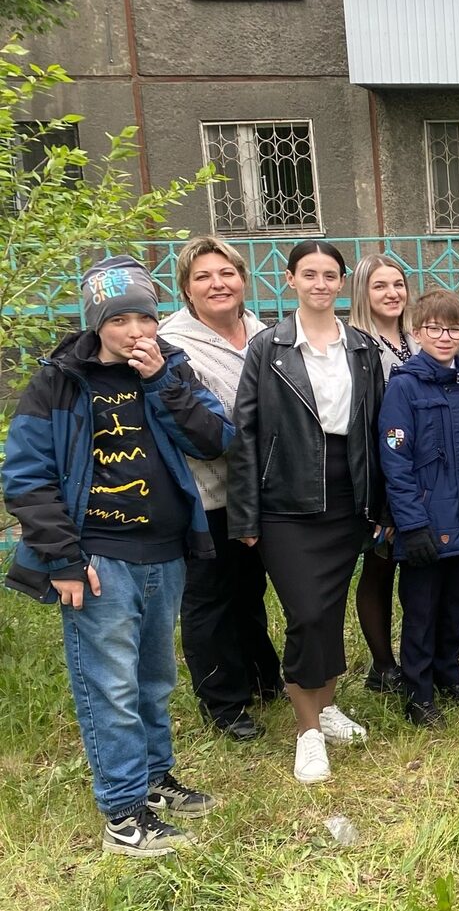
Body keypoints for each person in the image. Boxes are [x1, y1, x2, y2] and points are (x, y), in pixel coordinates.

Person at [4, 256, 232, 856]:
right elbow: (27, 477)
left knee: (154, 681)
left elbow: (215, 438)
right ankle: (124, 816)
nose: (137, 331)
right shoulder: (58, 382)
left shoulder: (170, 368)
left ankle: (155, 781)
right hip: (98, 560)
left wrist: (161, 383)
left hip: (166, 553)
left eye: (145, 318)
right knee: (111, 690)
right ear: (97, 322)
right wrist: (63, 559)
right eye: (121, 319)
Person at [228, 241, 383, 785]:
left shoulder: (361, 347)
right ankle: (307, 731)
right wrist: (245, 516)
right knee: (307, 613)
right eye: (310, 274)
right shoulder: (268, 347)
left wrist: (380, 502)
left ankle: (329, 706)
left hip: (347, 495)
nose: (321, 284)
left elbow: (375, 428)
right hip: (286, 500)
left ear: (342, 283)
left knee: (330, 610)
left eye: (330, 275)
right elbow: (245, 433)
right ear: (290, 279)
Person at [158, 238, 281, 743]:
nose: (218, 284)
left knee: (250, 589)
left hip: (259, 491)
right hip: (205, 494)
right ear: (186, 289)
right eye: (203, 277)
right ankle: (224, 702)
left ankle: (261, 677)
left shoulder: (265, 333)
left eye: (227, 273)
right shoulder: (172, 344)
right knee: (209, 598)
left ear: (243, 279)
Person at [379, 290, 459, 727]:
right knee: (421, 611)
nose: (444, 337)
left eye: (453, 329)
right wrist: (412, 525)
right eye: (433, 328)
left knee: (455, 606)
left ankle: (449, 675)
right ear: (417, 333)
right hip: (425, 524)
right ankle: (418, 693)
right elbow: (396, 463)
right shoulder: (403, 387)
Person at [346, 253, 412, 695]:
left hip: (418, 472)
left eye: (398, 284)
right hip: (379, 472)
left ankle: (415, 653)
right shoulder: (355, 345)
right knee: (379, 566)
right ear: (362, 293)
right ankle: (383, 666)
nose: (392, 293)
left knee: (412, 567)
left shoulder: (416, 339)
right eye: (380, 286)